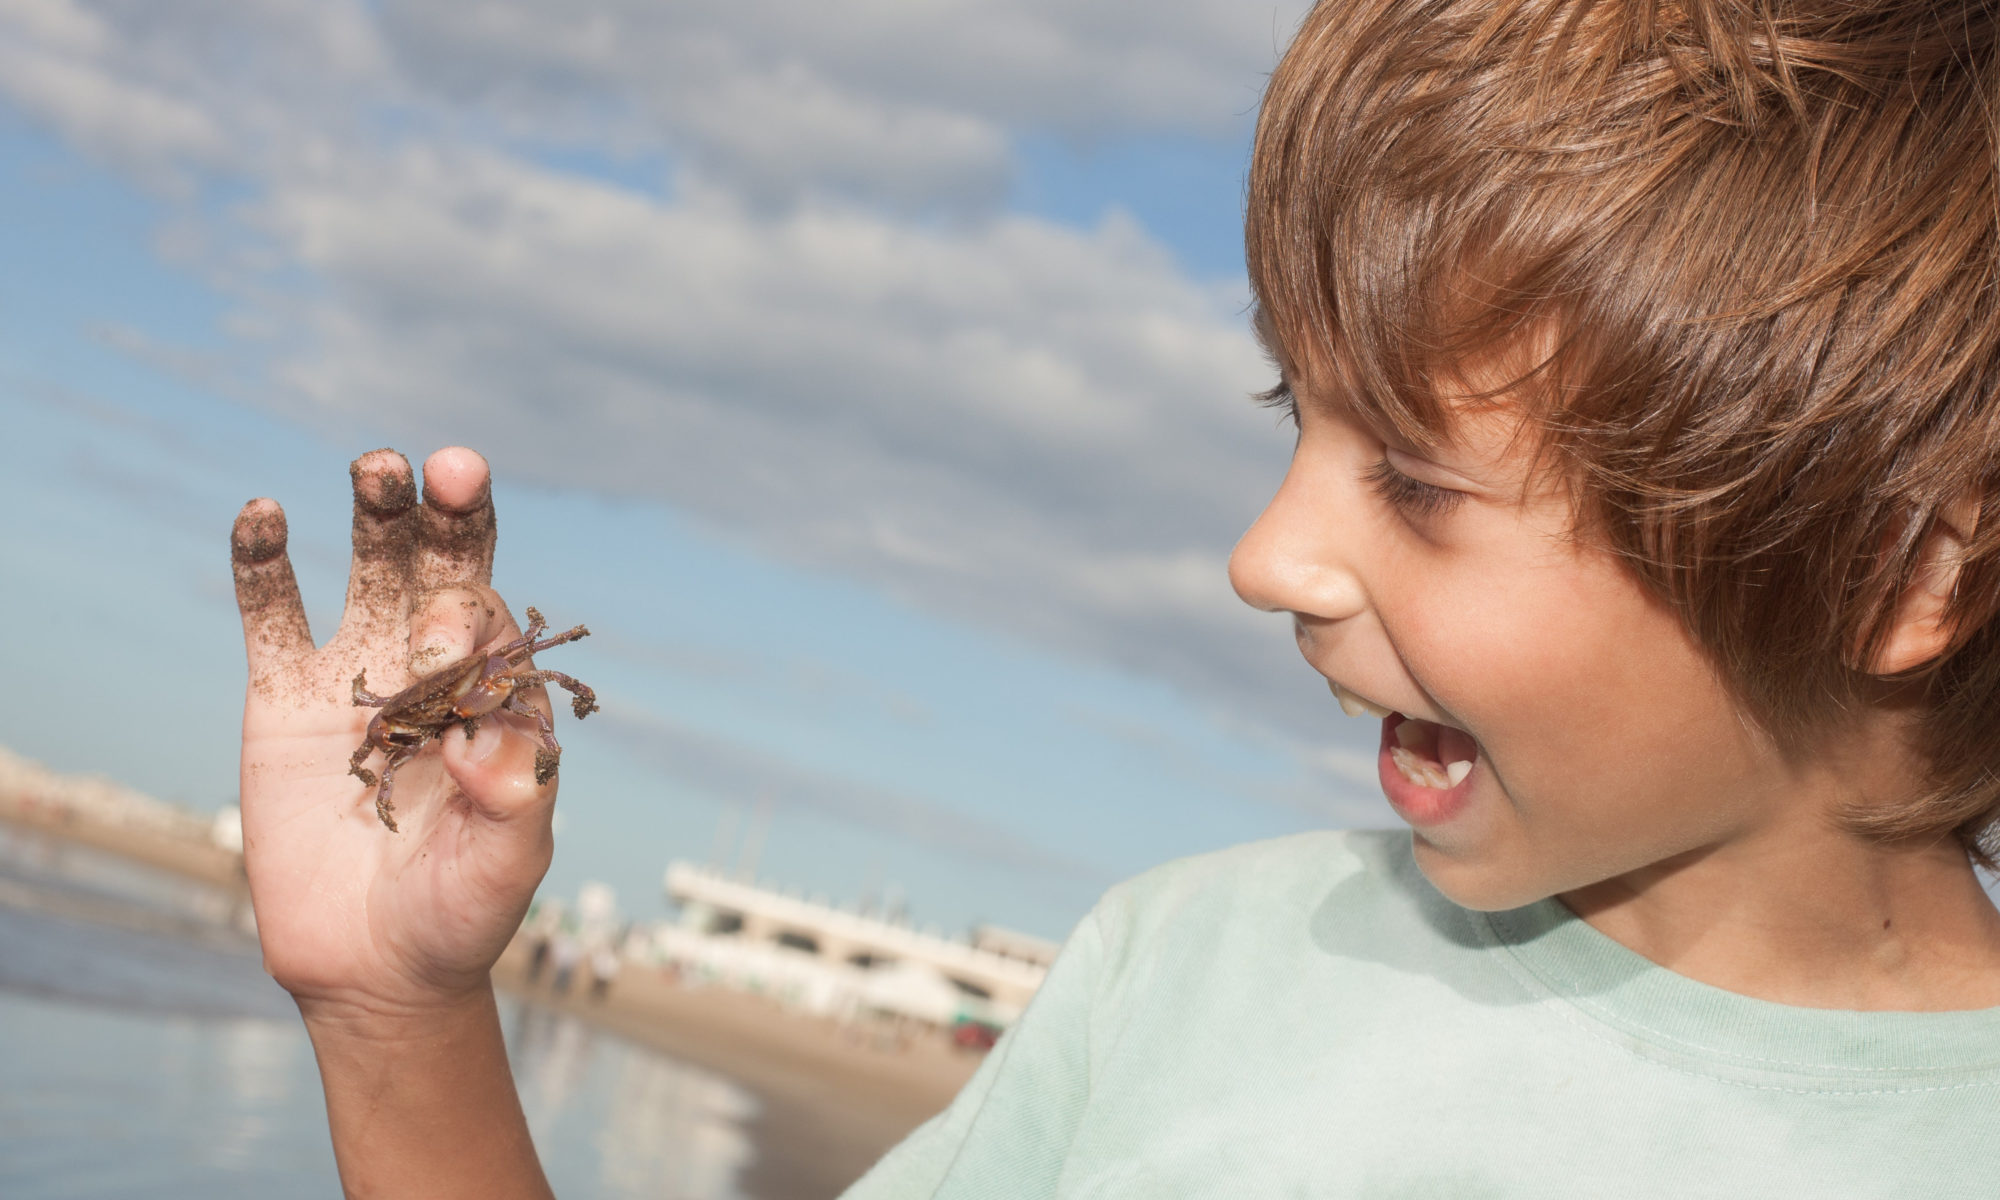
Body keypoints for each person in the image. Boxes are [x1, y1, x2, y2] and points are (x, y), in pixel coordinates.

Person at [230, 0, 2000, 1195]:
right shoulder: (1191, 968)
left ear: (1898, 570)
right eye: (1290, 417)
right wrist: (398, 1020)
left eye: (1417, 480)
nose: (1265, 557)